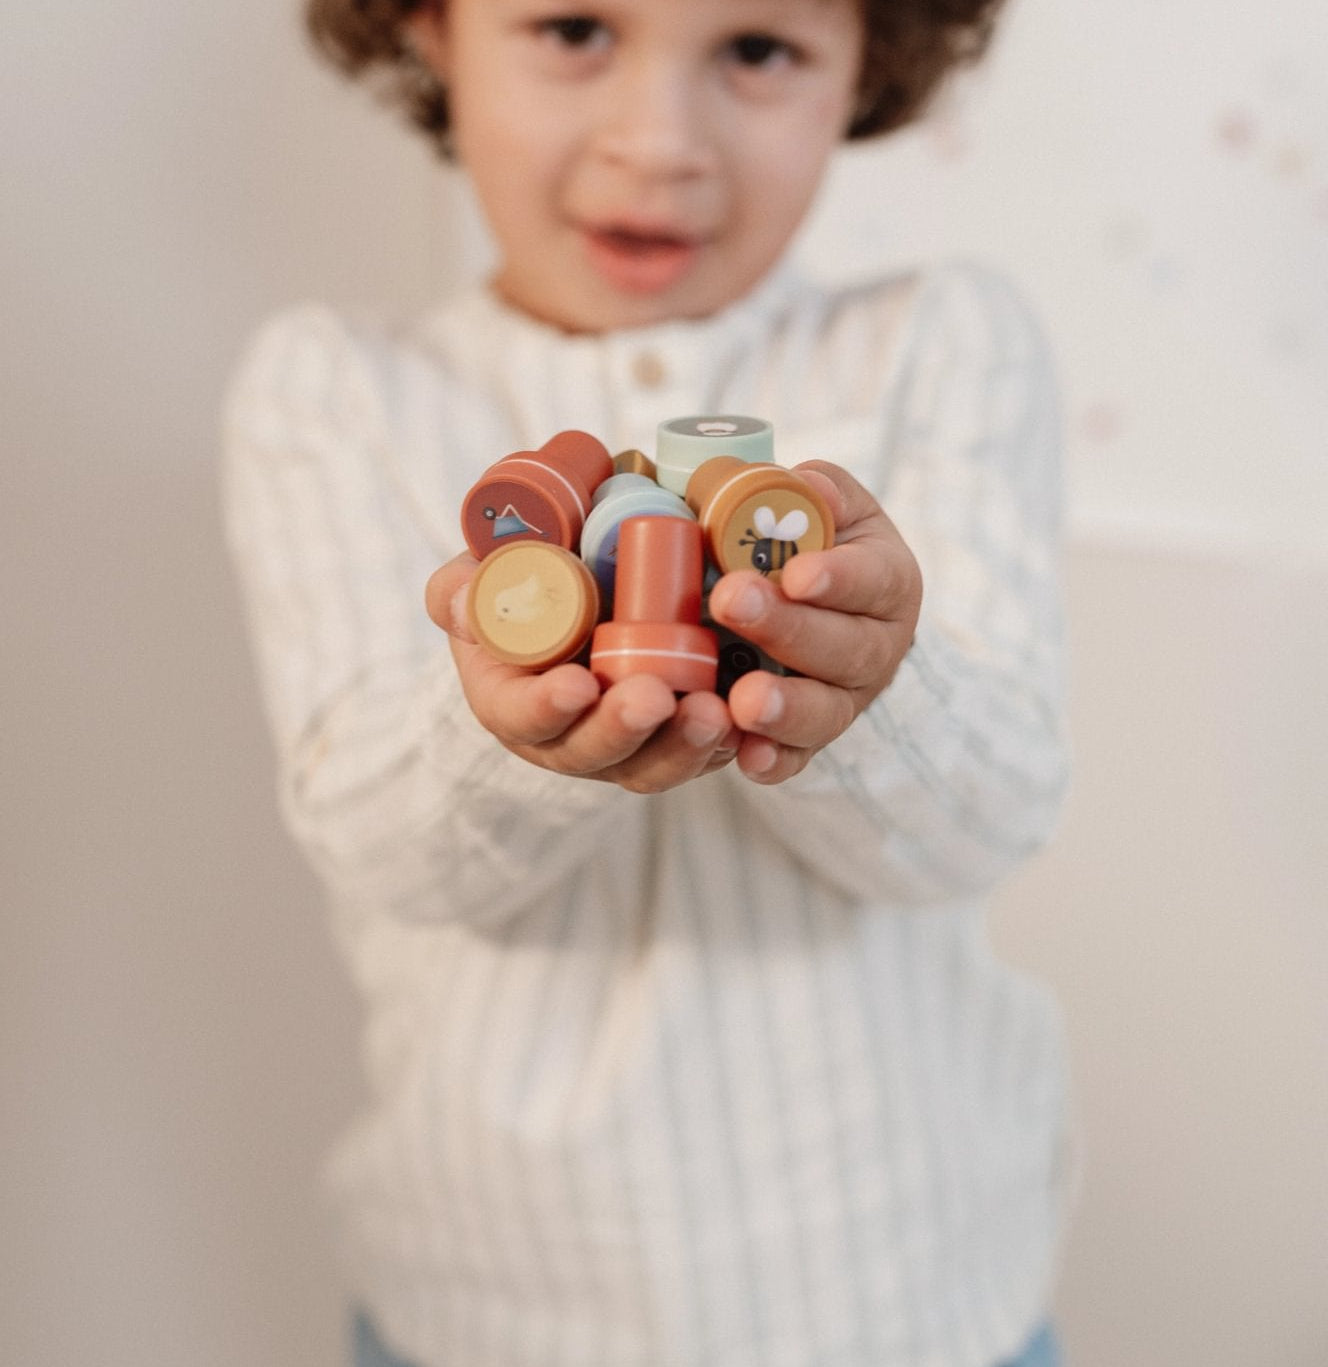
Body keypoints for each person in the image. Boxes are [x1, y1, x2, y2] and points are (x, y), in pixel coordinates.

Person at [222, 0, 1073, 1364]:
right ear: (432, 29)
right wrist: (500, 732)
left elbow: (995, 817)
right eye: (572, 28)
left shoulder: (941, 344)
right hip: (492, 1310)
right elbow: (373, 843)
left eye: (757, 50)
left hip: (910, 1300)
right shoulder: (337, 393)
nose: (658, 144)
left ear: (873, 53)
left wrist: (870, 692)